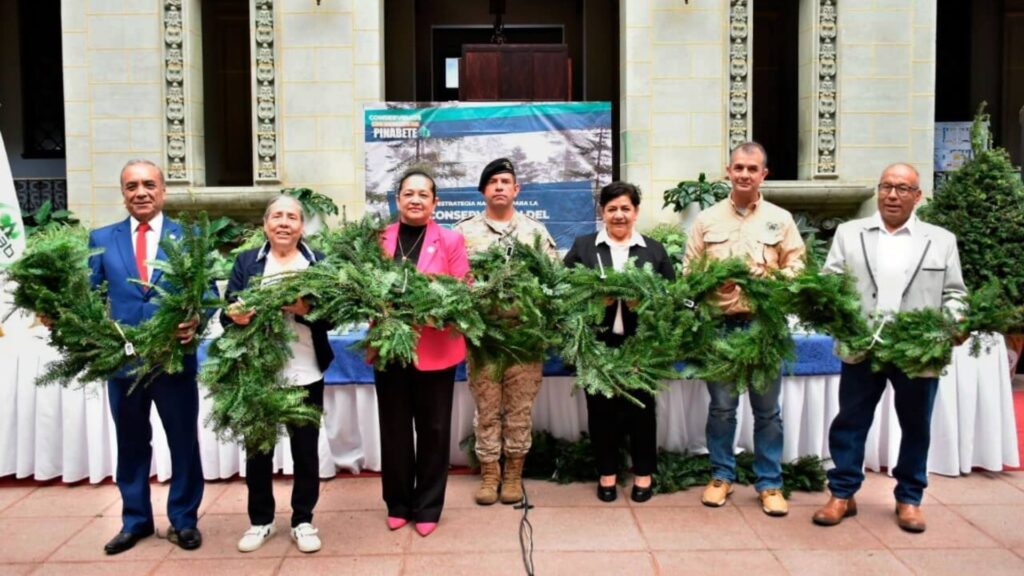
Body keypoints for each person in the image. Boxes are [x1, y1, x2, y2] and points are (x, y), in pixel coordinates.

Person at [813, 163, 967, 533]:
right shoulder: (850, 233)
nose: (892, 195)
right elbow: (829, 282)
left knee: (916, 426)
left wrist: (953, 323)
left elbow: (955, 293)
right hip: (863, 343)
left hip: (916, 351)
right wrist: (831, 312)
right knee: (850, 422)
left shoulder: (940, 240)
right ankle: (842, 494)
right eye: (886, 187)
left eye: (902, 188)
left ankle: (909, 498)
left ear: (918, 196)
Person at [86, 159, 207, 554]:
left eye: (149, 184)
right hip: (124, 364)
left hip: (174, 361)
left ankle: (184, 520)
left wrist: (196, 318)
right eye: (132, 186)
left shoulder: (188, 238)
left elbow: (204, 295)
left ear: (163, 190)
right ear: (123, 193)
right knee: (132, 444)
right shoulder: (101, 238)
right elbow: (90, 296)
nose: (141, 192)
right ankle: (135, 521)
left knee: (183, 443)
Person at [683, 142, 805, 516]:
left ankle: (769, 483)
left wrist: (768, 275)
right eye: (738, 167)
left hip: (765, 328)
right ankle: (721, 476)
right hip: (719, 329)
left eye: (752, 169)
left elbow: (798, 270)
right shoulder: (706, 220)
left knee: (767, 411)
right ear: (728, 171)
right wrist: (711, 283)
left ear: (763, 174)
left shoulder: (780, 220)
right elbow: (689, 274)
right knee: (722, 408)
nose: (744, 174)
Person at [222, 195, 335, 553]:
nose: (284, 223)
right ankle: (261, 521)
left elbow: (333, 315)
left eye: (292, 217)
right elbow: (227, 312)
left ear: (302, 226)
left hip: (306, 371)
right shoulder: (246, 262)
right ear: (265, 224)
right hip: (259, 371)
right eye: (277, 217)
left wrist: (304, 310)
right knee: (258, 451)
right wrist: (234, 316)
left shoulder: (317, 263)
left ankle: (303, 520)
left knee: (305, 452)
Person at [454, 158, 557, 506]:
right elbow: (452, 284)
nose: (499, 186)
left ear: (517, 190)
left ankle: (513, 472)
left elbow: (553, 282)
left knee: (519, 409)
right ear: (483, 190)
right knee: (486, 408)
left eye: (505, 181)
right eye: (492, 181)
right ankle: (489, 473)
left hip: (524, 338)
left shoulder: (535, 232)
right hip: (484, 339)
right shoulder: (463, 232)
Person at [563, 181, 675, 503]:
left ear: (636, 212)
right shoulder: (585, 247)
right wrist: (597, 303)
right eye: (612, 209)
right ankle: (607, 473)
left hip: (642, 348)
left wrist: (648, 306)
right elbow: (563, 293)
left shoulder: (653, 250)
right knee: (601, 412)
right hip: (598, 346)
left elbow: (673, 298)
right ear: (603, 212)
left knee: (642, 412)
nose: (619, 215)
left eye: (625, 208)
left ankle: (643, 473)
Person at [373, 169, 470, 537]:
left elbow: (463, 288)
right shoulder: (377, 238)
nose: (415, 199)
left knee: (433, 429)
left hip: (435, 347)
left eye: (423, 194)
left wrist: (434, 303)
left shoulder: (450, 239)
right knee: (394, 430)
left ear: (435, 202)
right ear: (397, 200)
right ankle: (397, 504)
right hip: (388, 350)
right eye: (408, 193)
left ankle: (428, 506)